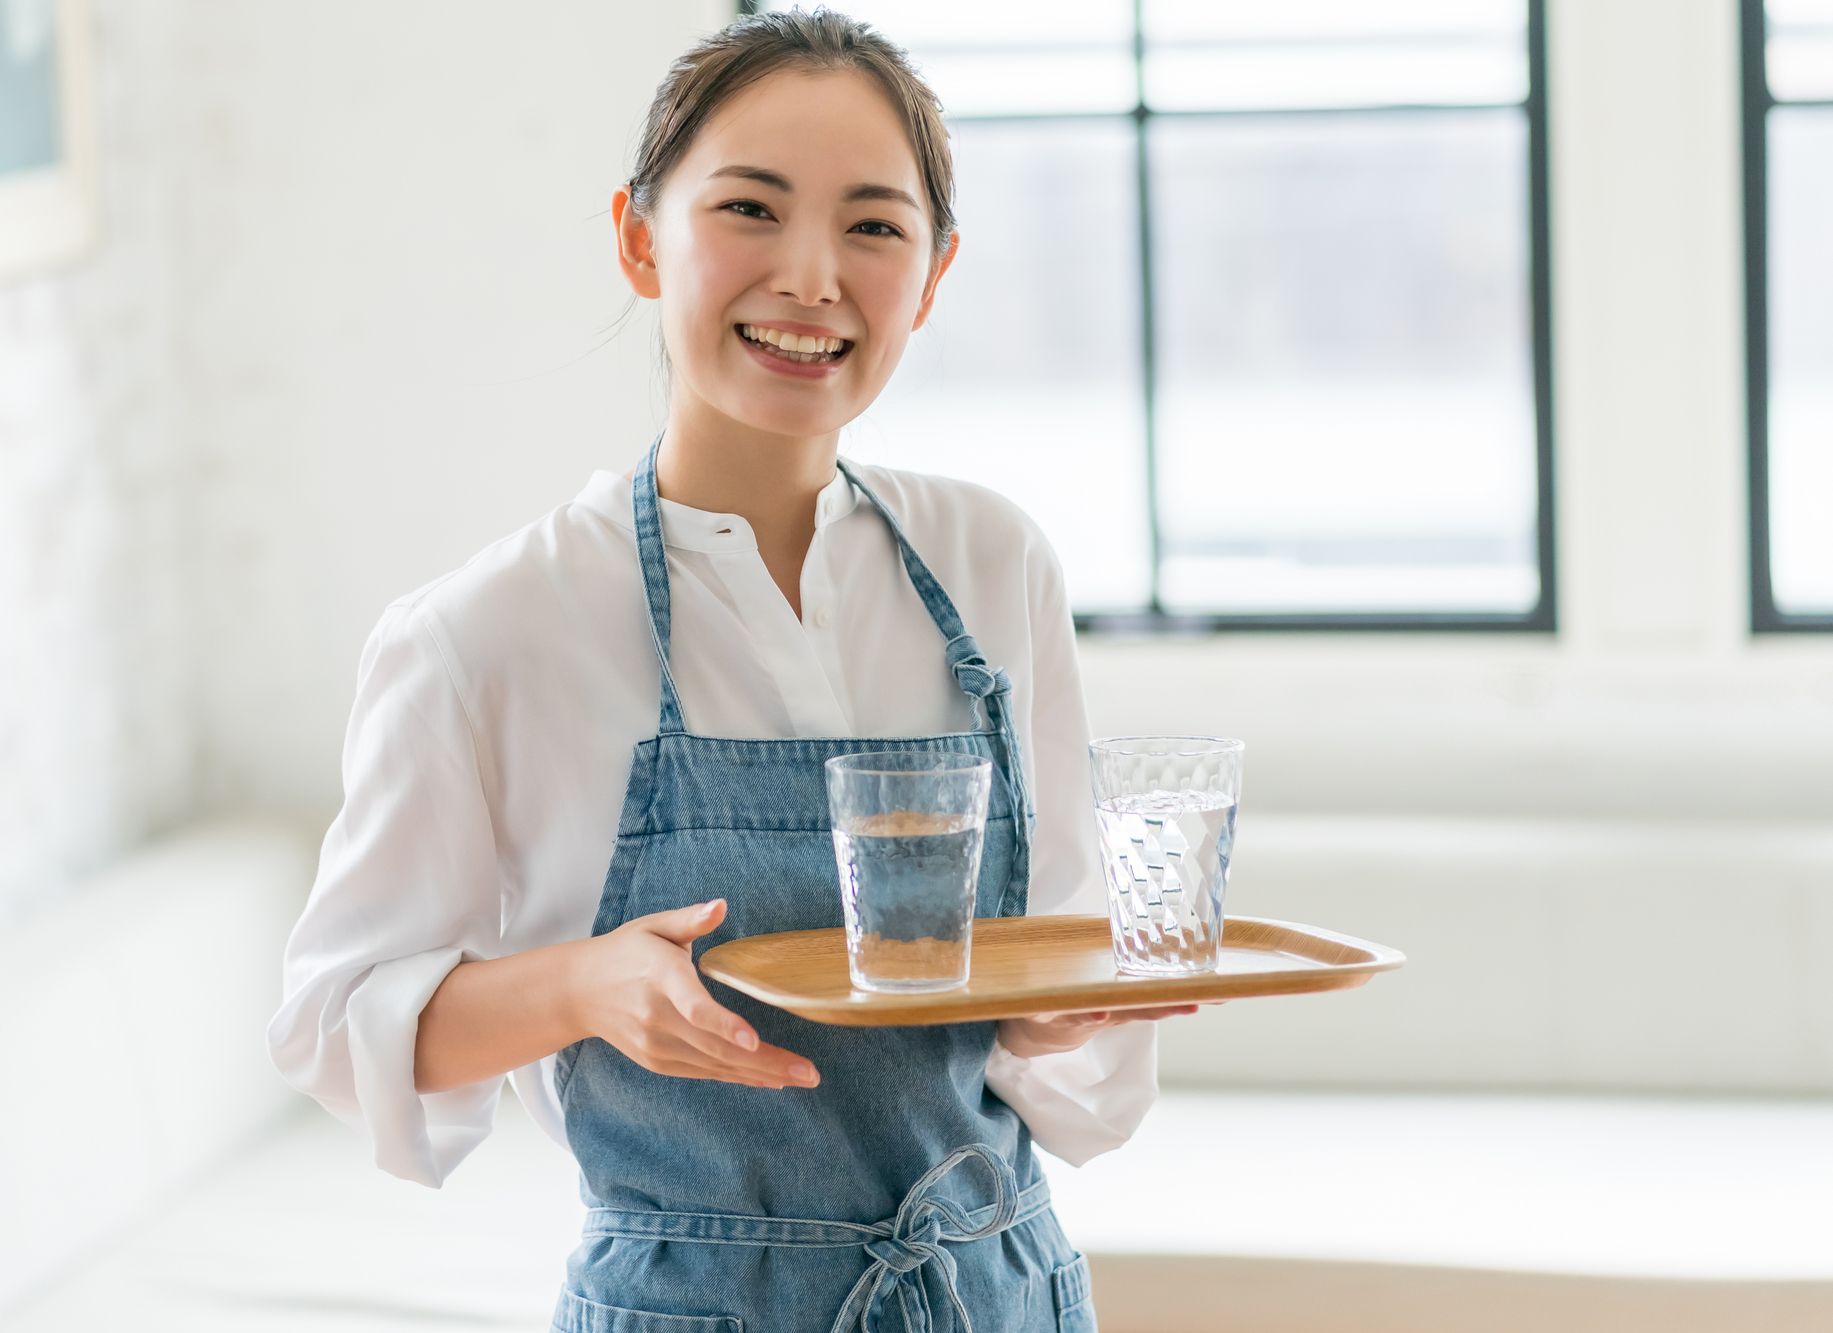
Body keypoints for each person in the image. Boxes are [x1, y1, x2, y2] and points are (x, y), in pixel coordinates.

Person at [269, 12, 1192, 1331]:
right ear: (643, 238)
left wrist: (1062, 1018)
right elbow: (332, 1029)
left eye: (875, 227)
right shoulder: (486, 633)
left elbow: (1067, 1027)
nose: (812, 276)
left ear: (932, 278)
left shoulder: (995, 566)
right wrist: (584, 986)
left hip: (999, 1291)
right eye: (751, 209)